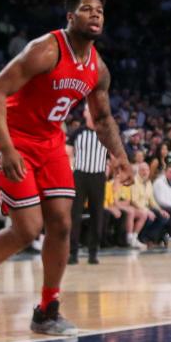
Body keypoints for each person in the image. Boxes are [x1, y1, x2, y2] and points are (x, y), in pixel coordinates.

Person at [0, 0, 131, 336]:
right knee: (28, 228)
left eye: (99, 9)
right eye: (86, 8)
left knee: (63, 224)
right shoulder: (45, 49)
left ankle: (47, 310)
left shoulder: (98, 68)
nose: (95, 14)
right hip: (14, 140)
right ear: (70, 18)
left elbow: (101, 119)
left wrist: (120, 156)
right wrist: (6, 148)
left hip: (50, 142)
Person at [68, 105, 109, 264]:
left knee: (97, 215)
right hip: (79, 175)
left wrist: (108, 170)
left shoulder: (105, 133)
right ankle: (73, 252)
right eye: (89, 110)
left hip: (98, 176)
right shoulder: (77, 132)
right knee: (75, 214)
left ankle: (93, 252)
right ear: (85, 113)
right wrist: (71, 169)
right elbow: (68, 153)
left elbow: (113, 154)